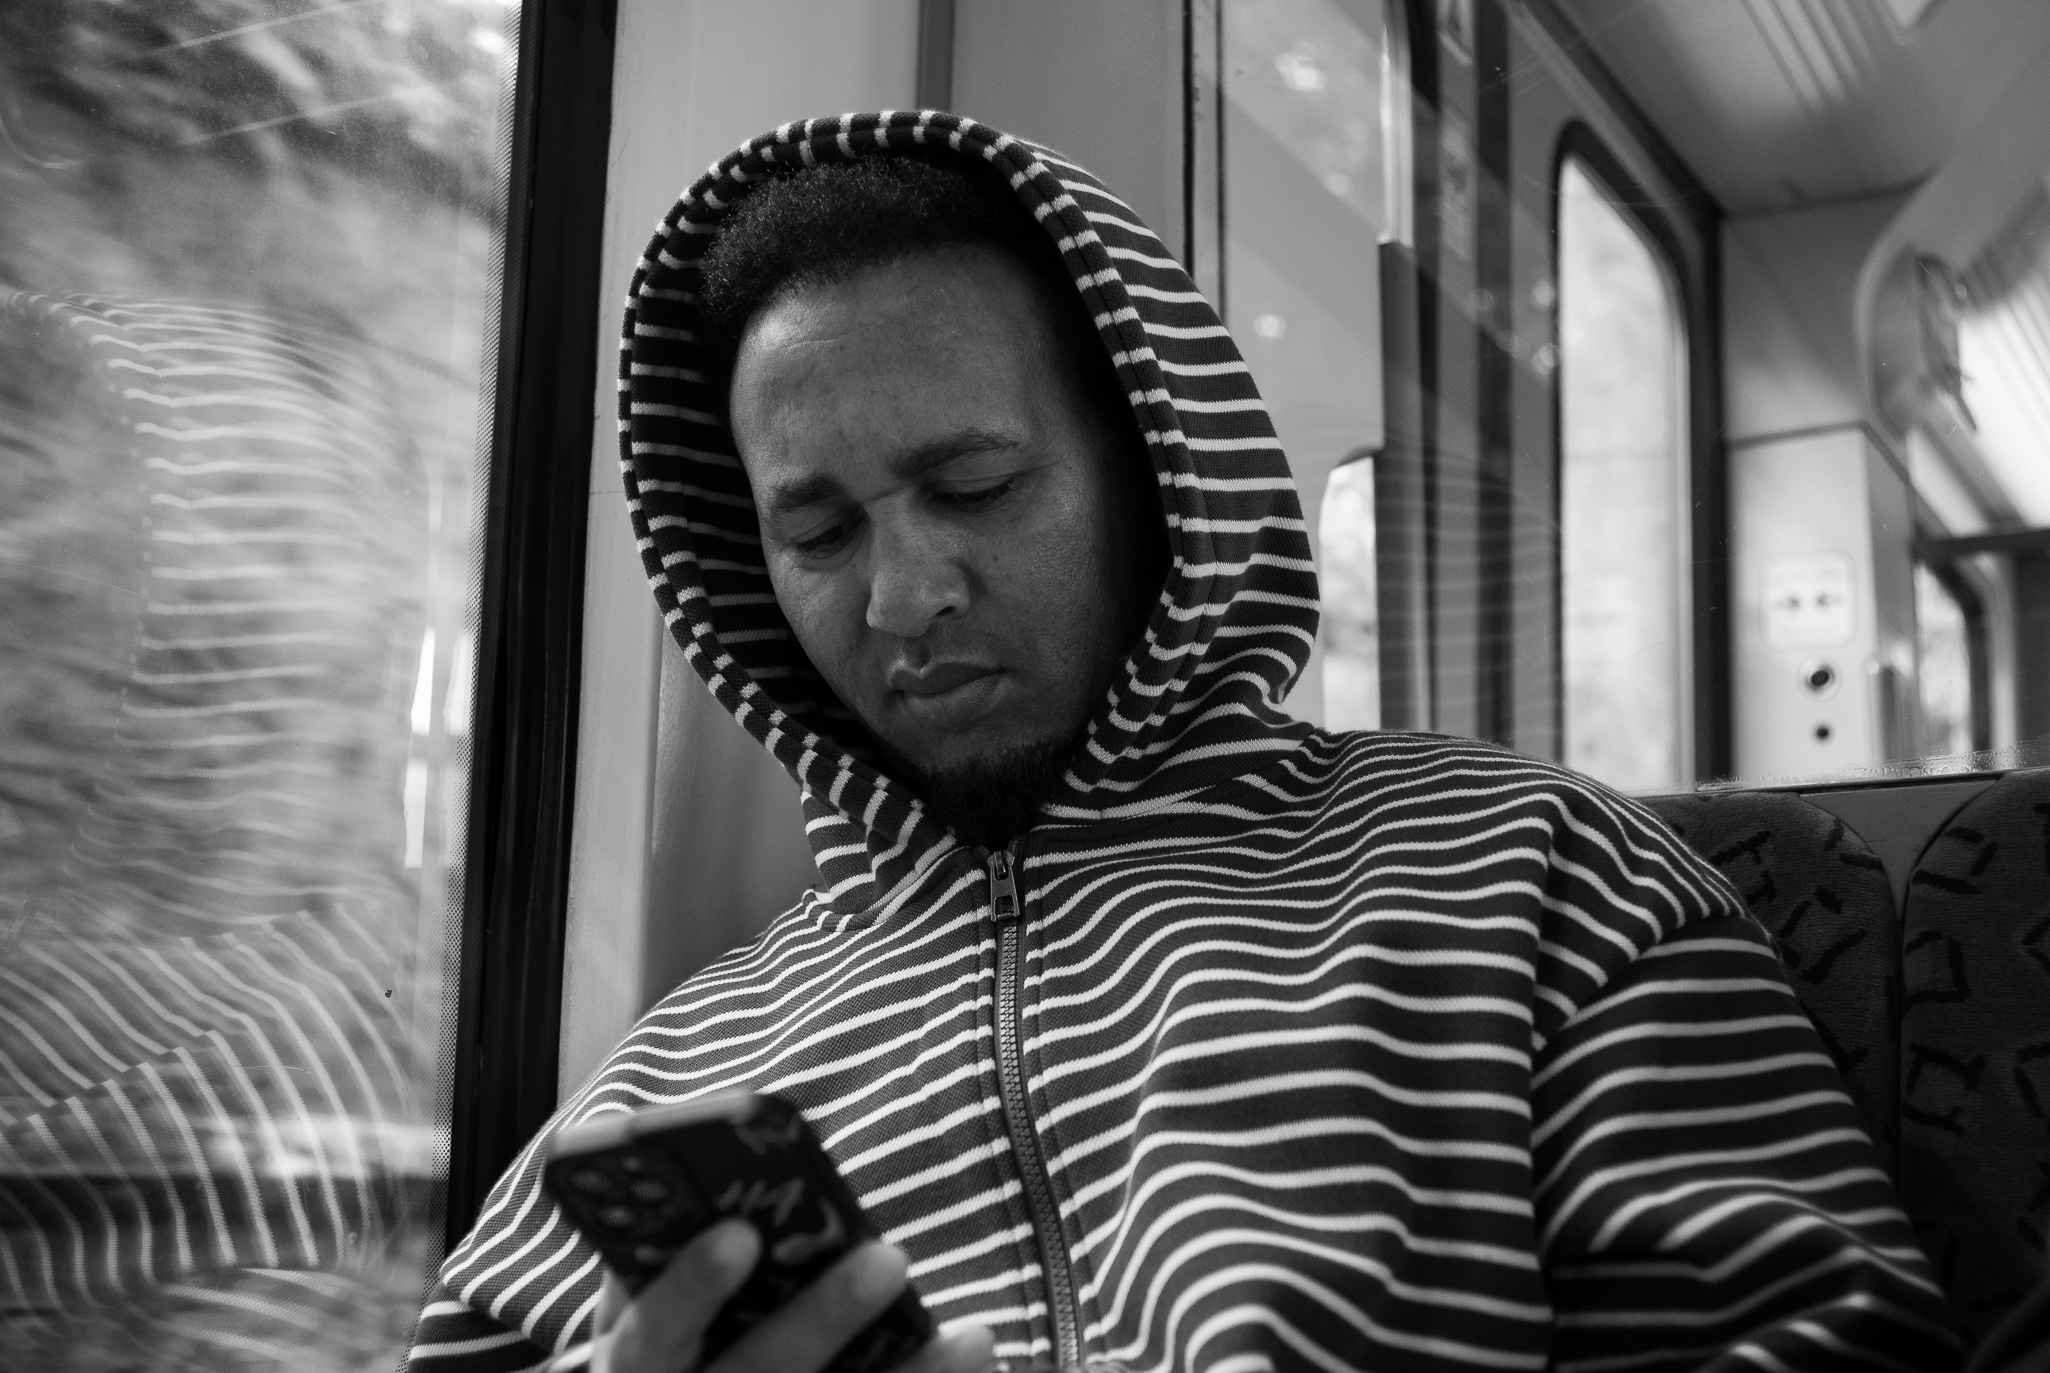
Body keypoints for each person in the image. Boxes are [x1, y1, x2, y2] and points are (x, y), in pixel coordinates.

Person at [409, 114, 1958, 1373]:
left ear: (1155, 477)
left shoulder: (1534, 881)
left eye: (974, 485)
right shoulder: (665, 1083)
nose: (903, 596)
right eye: (816, 528)